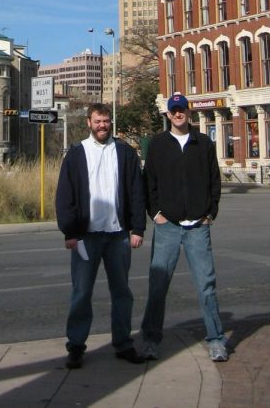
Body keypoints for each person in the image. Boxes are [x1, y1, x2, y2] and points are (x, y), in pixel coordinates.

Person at [55, 104, 146, 369]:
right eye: (98, 121)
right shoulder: (76, 154)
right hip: (86, 237)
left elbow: (136, 192)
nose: (102, 125)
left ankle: (123, 343)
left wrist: (137, 228)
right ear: (88, 123)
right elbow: (65, 196)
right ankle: (76, 346)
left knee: (122, 293)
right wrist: (70, 232)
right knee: (81, 293)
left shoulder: (125, 152)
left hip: (118, 235)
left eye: (106, 121)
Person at [140, 92, 227, 362]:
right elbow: (149, 183)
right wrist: (156, 214)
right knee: (158, 285)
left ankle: (216, 339)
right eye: (174, 110)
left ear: (189, 113)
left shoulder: (203, 143)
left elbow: (214, 180)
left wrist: (210, 213)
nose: (178, 114)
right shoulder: (157, 144)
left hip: (198, 226)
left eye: (182, 110)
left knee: (206, 285)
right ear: (168, 115)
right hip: (168, 225)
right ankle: (151, 339)